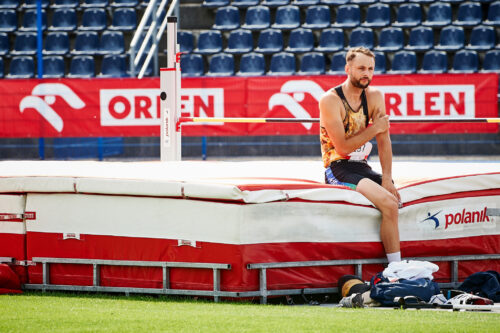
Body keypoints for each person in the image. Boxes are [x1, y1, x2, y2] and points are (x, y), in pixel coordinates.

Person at [319, 47, 402, 264]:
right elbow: (343, 148)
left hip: (362, 167)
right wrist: (375, 128)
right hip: (338, 168)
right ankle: (395, 267)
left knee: (396, 200)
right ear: (348, 69)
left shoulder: (375, 96)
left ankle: (397, 265)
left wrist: (387, 177)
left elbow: (385, 142)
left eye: (371, 69)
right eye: (361, 68)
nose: (367, 73)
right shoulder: (330, 100)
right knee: (389, 203)